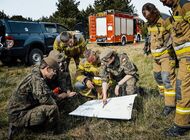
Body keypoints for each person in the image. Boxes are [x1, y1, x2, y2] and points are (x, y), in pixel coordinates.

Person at [8, 57, 60, 140]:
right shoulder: (37, 80)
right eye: (54, 71)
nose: (55, 74)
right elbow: (47, 100)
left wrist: (56, 96)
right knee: (53, 108)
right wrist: (59, 98)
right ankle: (50, 134)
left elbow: (46, 92)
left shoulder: (37, 75)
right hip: (19, 116)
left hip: (23, 110)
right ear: (48, 69)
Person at [159, 0, 190, 136]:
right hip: (182, 57)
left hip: (188, 57)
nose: (163, 2)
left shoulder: (185, 6)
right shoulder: (174, 9)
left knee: (182, 88)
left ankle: (182, 125)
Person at [142, 3, 177, 116]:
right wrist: (146, 47)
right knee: (158, 77)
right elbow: (149, 37)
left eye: (149, 17)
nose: (148, 19)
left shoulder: (165, 19)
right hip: (155, 57)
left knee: (167, 78)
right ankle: (164, 96)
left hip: (167, 55)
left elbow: (174, 35)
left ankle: (170, 105)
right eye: (146, 18)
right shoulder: (149, 23)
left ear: (154, 12)